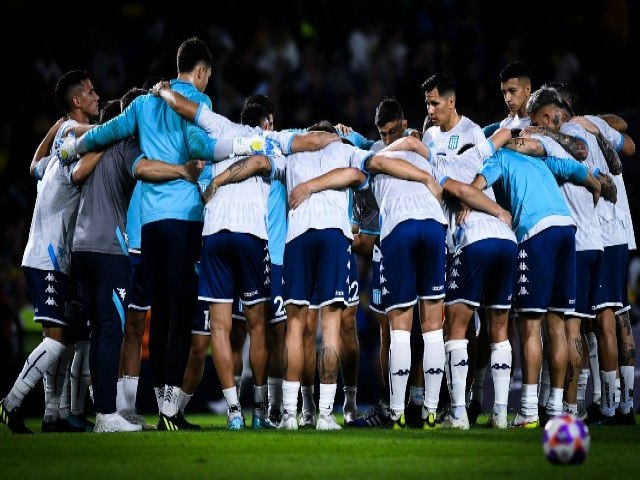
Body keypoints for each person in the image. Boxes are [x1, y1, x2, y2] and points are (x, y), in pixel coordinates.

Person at [56, 37, 219, 431]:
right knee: (179, 313)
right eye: (207, 77)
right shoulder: (198, 103)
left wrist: (73, 148)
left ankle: (153, 407)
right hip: (184, 215)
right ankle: (168, 409)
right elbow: (203, 148)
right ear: (200, 72)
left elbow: (106, 132)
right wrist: (204, 174)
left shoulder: (144, 103)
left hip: (148, 222)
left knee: (158, 312)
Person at [470, 120, 601, 428]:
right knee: (556, 325)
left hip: (536, 232)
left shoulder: (498, 158)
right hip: (567, 229)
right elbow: (574, 170)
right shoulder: (538, 159)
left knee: (530, 326)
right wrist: (595, 185)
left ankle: (528, 410)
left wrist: (468, 200)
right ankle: (555, 407)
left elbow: (475, 187)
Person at [0, 70, 100, 434]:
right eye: (89, 92)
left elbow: (32, 166)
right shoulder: (73, 134)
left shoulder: (57, 152)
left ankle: (52, 415)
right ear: (76, 102)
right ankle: (10, 403)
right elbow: (83, 152)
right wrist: (115, 133)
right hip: (48, 257)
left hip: (51, 256)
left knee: (64, 339)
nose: (96, 95)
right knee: (56, 341)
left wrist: (50, 130)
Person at [421, 72, 486, 155]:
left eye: (435, 103)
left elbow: (487, 167)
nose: (430, 111)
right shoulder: (429, 135)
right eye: (428, 104)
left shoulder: (473, 132)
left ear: (451, 102)